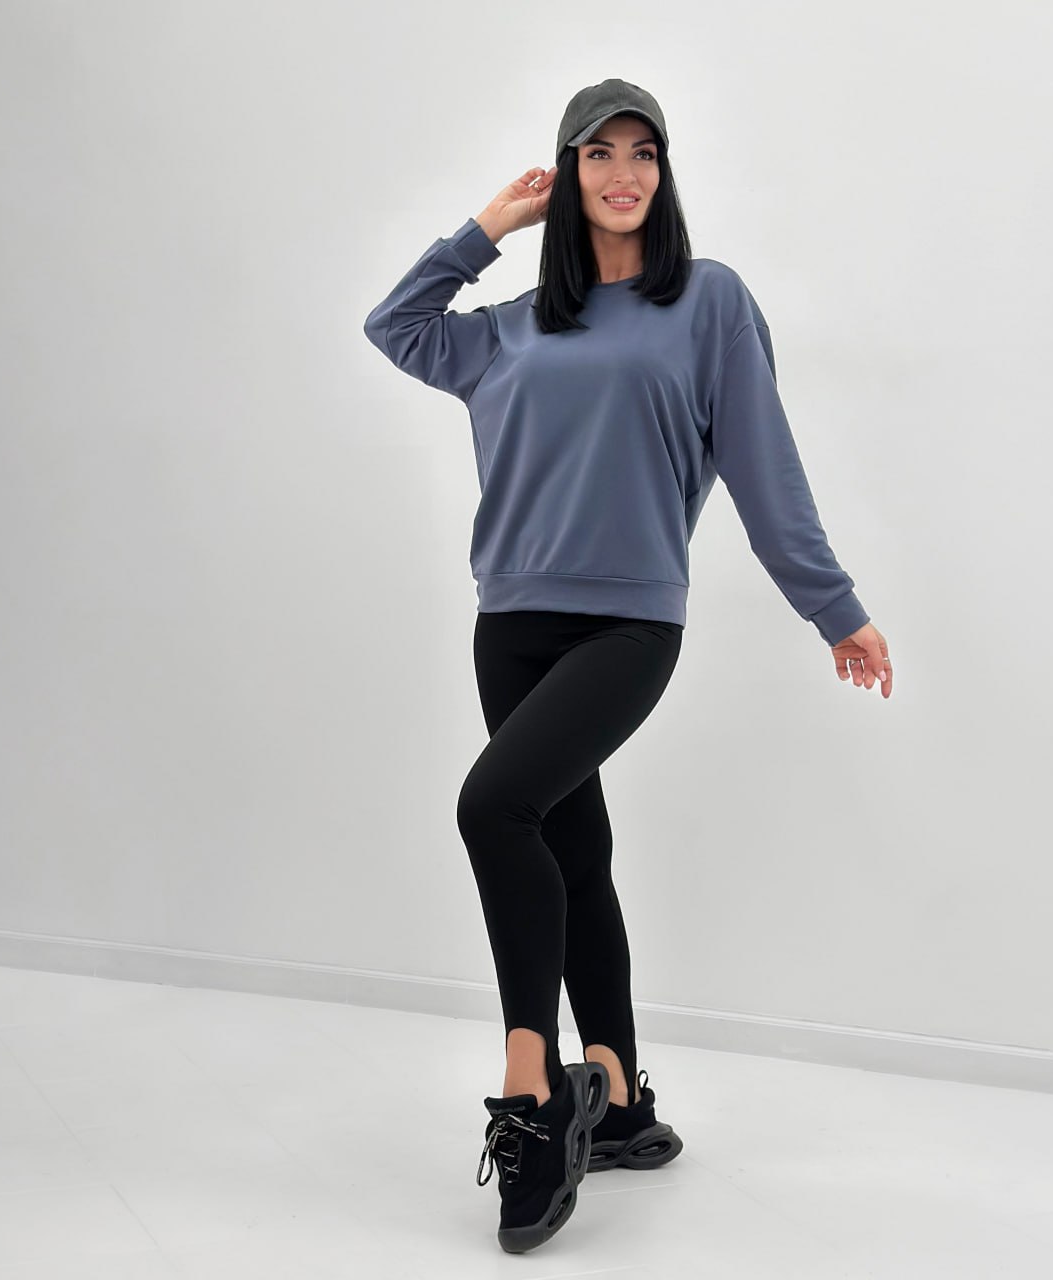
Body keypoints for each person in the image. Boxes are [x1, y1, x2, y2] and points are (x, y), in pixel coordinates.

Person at [363, 78, 892, 1255]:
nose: (622, 172)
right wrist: (488, 226)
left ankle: (533, 1089)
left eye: (642, 152)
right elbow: (393, 325)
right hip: (510, 623)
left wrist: (833, 608)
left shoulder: (706, 302)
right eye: (596, 153)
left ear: (664, 172)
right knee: (570, 848)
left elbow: (763, 468)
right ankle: (617, 1097)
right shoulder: (506, 328)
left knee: (492, 806)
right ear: (567, 172)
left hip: (626, 625)